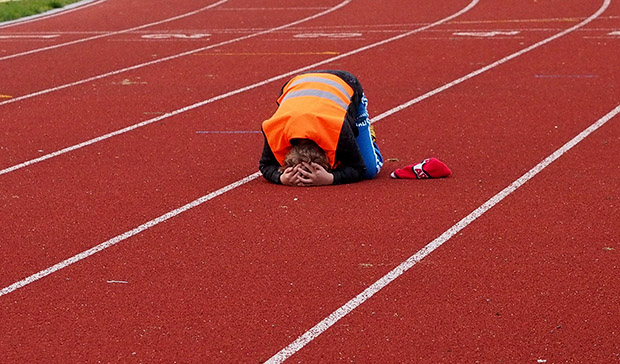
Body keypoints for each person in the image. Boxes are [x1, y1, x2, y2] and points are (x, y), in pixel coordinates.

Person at [259, 70, 383, 186]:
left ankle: (367, 134)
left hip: (346, 84)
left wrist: (330, 178)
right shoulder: (275, 129)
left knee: (370, 170)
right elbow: (265, 165)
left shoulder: (339, 130)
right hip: (297, 86)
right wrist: (281, 178)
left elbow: (359, 168)